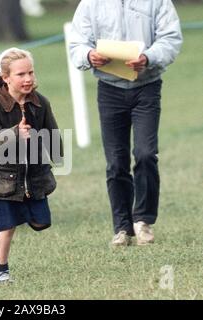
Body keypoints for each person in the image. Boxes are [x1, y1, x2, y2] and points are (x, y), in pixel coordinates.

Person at [69, 0, 183, 246]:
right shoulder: (91, 4)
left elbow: (171, 38)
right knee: (116, 162)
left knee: (145, 154)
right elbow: (77, 43)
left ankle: (143, 220)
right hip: (109, 90)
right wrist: (88, 55)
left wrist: (148, 57)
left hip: (147, 88)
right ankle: (122, 228)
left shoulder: (157, 1)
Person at [0, 48, 62, 283]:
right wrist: (15, 133)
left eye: (30, 72)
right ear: (6, 77)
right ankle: (1, 271)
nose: (28, 79)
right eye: (20, 74)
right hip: (4, 179)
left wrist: (57, 155)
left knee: (41, 222)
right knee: (7, 226)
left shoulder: (40, 103)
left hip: (33, 176)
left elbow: (52, 131)